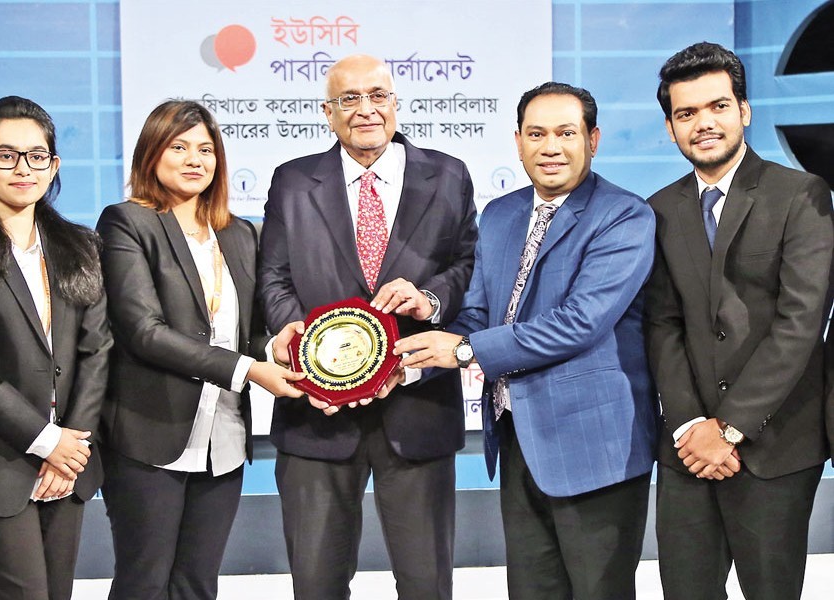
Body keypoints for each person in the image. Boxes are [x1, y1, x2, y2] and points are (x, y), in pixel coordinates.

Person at [395, 82, 658, 599]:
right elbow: (474, 315)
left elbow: (580, 321)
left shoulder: (623, 215)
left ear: (594, 139)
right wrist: (409, 364)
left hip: (593, 446)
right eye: (537, 134)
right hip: (518, 438)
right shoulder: (499, 214)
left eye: (566, 133)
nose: (551, 147)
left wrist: (467, 351)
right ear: (517, 142)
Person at [258, 54, 478, 599]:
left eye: (377, 95)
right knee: (316, 585)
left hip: (419, 407)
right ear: (327, 113)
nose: (365, 110)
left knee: (427, 585)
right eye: (348, 99)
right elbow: (273, 280)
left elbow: (470, 266)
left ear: (396, 104)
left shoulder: (448, 174)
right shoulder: (292, 182)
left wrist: (430, 298)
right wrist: (313, 359)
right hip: (316, 416)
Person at [645, 42, 834, 600]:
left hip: (774, 446)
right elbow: (662, 324)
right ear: (670, 126)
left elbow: (801, 324)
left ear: (744, 110)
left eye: (718, 106)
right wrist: (689, 428)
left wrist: (726, 429)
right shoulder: (657, 209)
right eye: (687, 113)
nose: (704, 123)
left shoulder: (800, 196)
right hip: (687, 451)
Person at [96, 100, 305, 600]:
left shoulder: (237, 232)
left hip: (223, 440)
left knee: (196, 583)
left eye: (206, 149)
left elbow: (248, 331)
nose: (195, 159)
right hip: (149, 435)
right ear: (152, 153)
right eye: (179, 146)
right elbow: (143, 331)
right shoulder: (126, 223)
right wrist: (250, 370)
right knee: (143, 582)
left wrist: (278, 347)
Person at [0, 95, 111, 600]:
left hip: (71, 463)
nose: (23, 168)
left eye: (36, 156)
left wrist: (71, 444)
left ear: (53, 166)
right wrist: (45, 441)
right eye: (6, 156)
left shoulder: (83, 248)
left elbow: (97, 350)